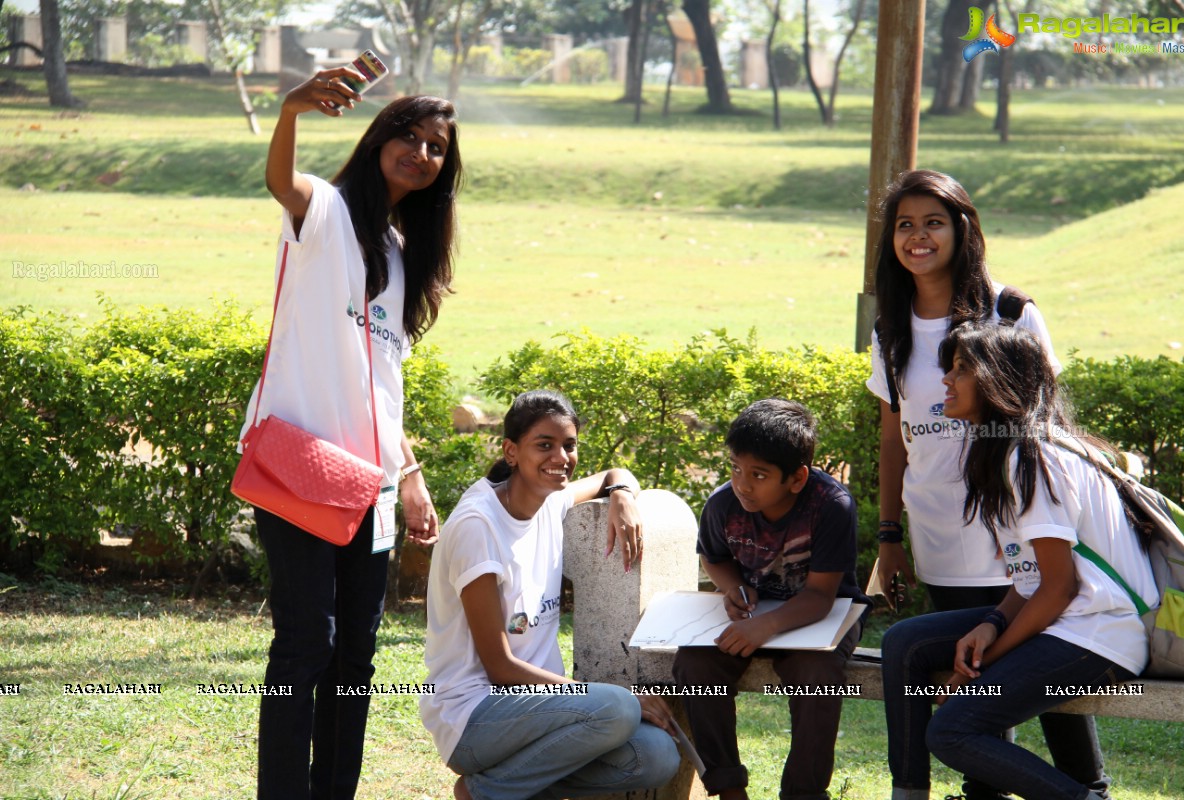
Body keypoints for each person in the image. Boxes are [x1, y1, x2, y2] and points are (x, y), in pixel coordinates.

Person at [240, 70, 462, 800]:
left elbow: (382, 386)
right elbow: (283, 182)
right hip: (298, 468)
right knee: (307, 642)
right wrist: (290, 110)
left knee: (356, 656)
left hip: (368, 487)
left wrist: (411, 475)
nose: (421, 153)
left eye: (436, 147)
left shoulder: (403, 257)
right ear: (378, 138)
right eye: (410, 135)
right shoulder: (328, 212)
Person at [865, 170, 1109, 800]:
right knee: (973, 677)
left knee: (1047, 686)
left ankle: (1090, 788)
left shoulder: (1011, 313)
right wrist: (890, 535)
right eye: (905, 225)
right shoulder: (888, 329)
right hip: (940, 537)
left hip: (1023, 535)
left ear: (963, 229)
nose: (918, 237)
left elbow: (1047, 425)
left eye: (934, 222)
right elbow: (894, 437)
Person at [882, 322, 1158, 800]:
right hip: (1069, 622)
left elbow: (1060, 588)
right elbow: (1032, 579)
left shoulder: (1032, 457)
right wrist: (991, 623)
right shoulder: (1010, 452)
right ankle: (908, 793)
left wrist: (986, 660)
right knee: (906, 642)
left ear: (997, 381)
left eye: (962, 369)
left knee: (952, 730)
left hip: (1099, 633)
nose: (946, 380)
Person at [420, 390, 681, 800]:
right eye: (545, 445)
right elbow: (500, 667)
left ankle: (510, 786)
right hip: (473, 717)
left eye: (569, 445)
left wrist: (623, 495)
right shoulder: (478, 526)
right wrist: (605, 698)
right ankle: (484, 792)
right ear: (511, 451)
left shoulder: (550, 501)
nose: (561, 457)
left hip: (538, 714)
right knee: (619, 709)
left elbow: (614, 474)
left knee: (656, 756)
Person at [672, 398, 868, 800]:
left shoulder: (831, 506)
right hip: (753, 616)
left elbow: (819, 596)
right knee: (695, 663)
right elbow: (715, 557)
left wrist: (764, 626)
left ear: (797, 478)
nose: (743, 483)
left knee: (816, 676)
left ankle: (803, 793)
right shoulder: (724, 504)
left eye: (759, 474)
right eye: (736, 468)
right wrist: (732, 588)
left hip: (823, 618)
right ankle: (727, 788)